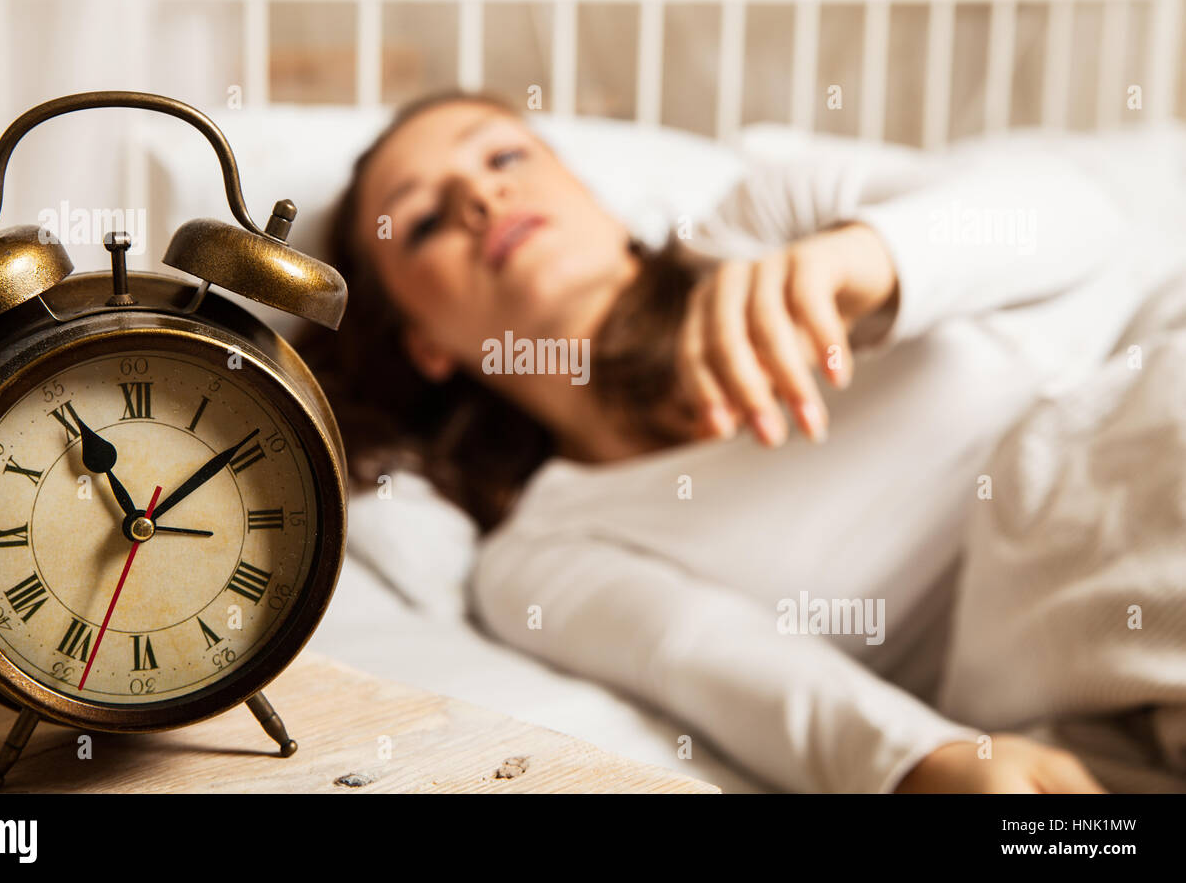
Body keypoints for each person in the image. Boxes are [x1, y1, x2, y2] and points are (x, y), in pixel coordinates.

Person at [296, 89, 1170, 792]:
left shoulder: (773, 216)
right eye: (423, 221)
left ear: (590, 193)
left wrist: (865, 259)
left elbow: (1081, 212)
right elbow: (724, 669)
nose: (482, 196)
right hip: (1067, 657)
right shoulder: (544, 556)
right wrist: (929, 763)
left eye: (505, 155)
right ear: (425, 343)